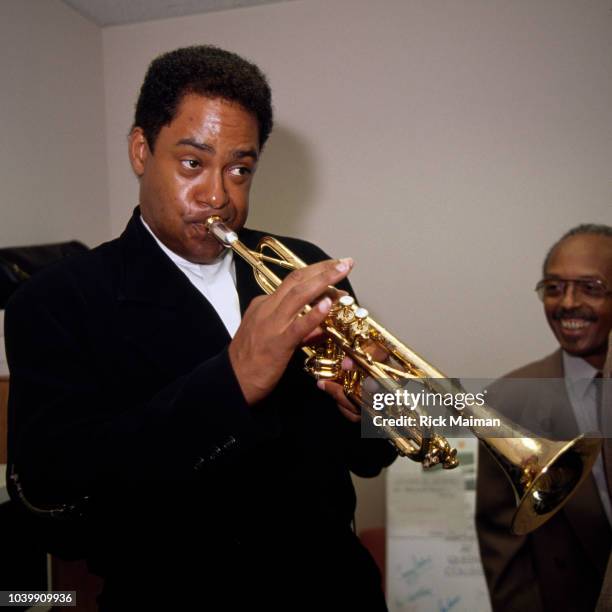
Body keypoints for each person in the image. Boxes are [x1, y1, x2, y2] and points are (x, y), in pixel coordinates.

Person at [5, 45, 396, 610]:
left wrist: (365, 411)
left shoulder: (299, 266)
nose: (220, 197)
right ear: (142, 151)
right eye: (193, 163)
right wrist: (231, 383)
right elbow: (56, 503)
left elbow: (365, 459)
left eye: (240, 169)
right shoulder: (57, 300)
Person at [476, 224, 612, 611]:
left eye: (591, 287)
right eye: (553, 287)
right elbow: (504, 551)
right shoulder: (506, 399)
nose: (567, 303)